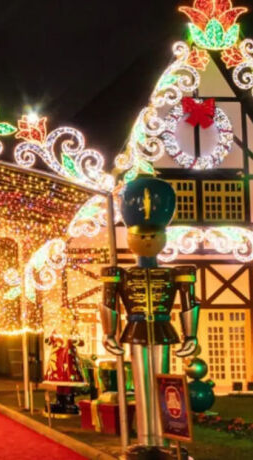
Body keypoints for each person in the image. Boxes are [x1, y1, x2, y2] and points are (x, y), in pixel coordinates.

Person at [100, 177, 199, 458]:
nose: (147, 240)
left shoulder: (175, 272)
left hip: (165, 330)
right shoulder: (119, 273)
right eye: (141, 235)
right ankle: (146, 438)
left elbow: (189, 301)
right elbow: (109, 303)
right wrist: (109, 333)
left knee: (164, 384)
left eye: (152, 235)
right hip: (135, 330)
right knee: (142, 385)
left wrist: (191, 334)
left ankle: (165, 440)